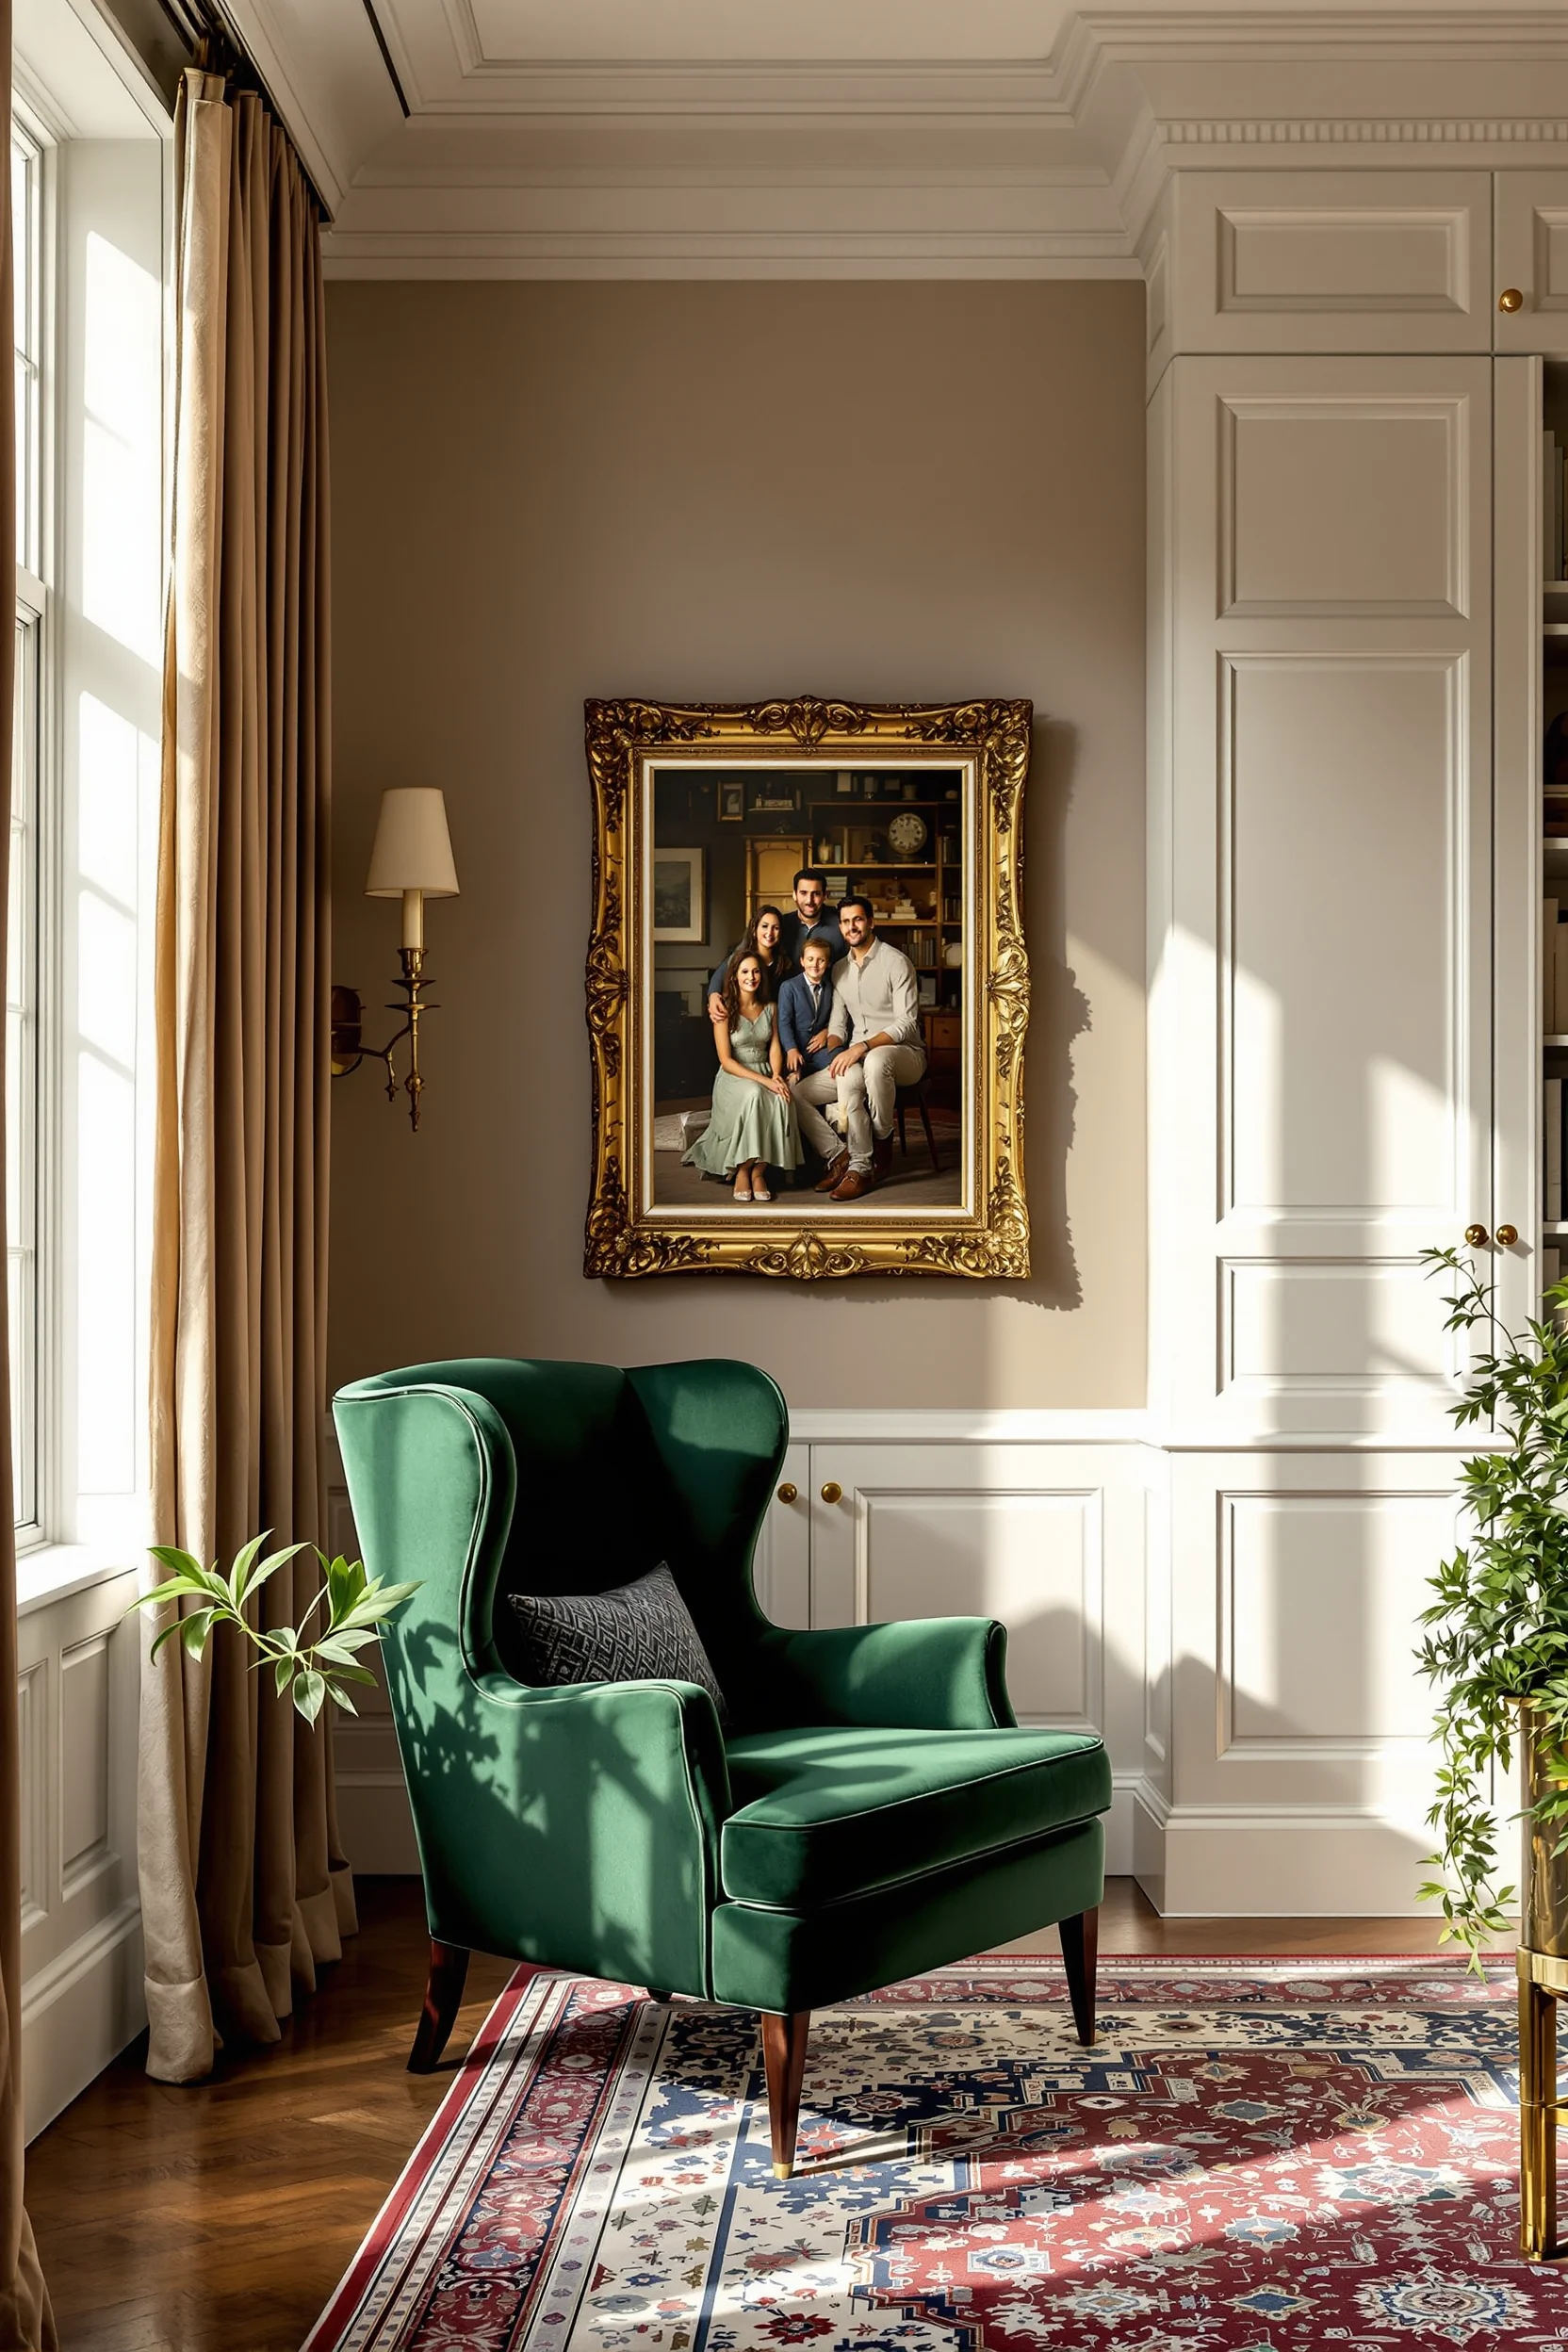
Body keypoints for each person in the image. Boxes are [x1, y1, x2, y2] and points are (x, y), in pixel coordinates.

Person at [792, 895, 925, 1201]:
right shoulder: (839, 970)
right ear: (840, 927)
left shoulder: (896, 962)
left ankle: (881, 1140)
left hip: (905, 1055)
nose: (852, 926)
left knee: (876, 1060)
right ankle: (848, 1161)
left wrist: (862, 1046)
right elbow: (839, 1027)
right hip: (860, 1057)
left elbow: (907, 1023)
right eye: (845, 921)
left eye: (858, 919)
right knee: (802, 1092)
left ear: (871, 922)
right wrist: (833, 1048)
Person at [681, 950, 802, 1202]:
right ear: (735, 976)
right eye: (745, 971)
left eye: (756, 971)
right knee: (755, 1094)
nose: (751, 976)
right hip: (734, 1076)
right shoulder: (724, 1009)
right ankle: (743, 1170)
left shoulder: (770, 1007)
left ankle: (760, 1171)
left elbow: (775, 1046)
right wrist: (765, 1081)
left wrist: (777, 1075)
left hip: (765, 1069)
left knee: (783, 1098)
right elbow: (725, 1061)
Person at [777, 934, 844, 1082]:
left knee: (839, 1056)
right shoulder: (789, 987)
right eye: (810, 959)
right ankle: (798, 1071)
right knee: (791, 1067)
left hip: (816, 1049)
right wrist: (791, 1049)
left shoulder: (830, 987)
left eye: (821, 960)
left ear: (827, 963)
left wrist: (827, 1032)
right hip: (794, 1047)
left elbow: (834, 1016)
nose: (815, 965)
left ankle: (804, 1072)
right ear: (802, 961)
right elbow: (784, 1022)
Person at [707, 905, 792, 1013]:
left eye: (776, 928)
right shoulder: (741, 958)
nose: (770, 933)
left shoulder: (784, 964)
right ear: (754, 929)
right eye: (765, 926)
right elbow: (720, 975)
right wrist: (713, 995)